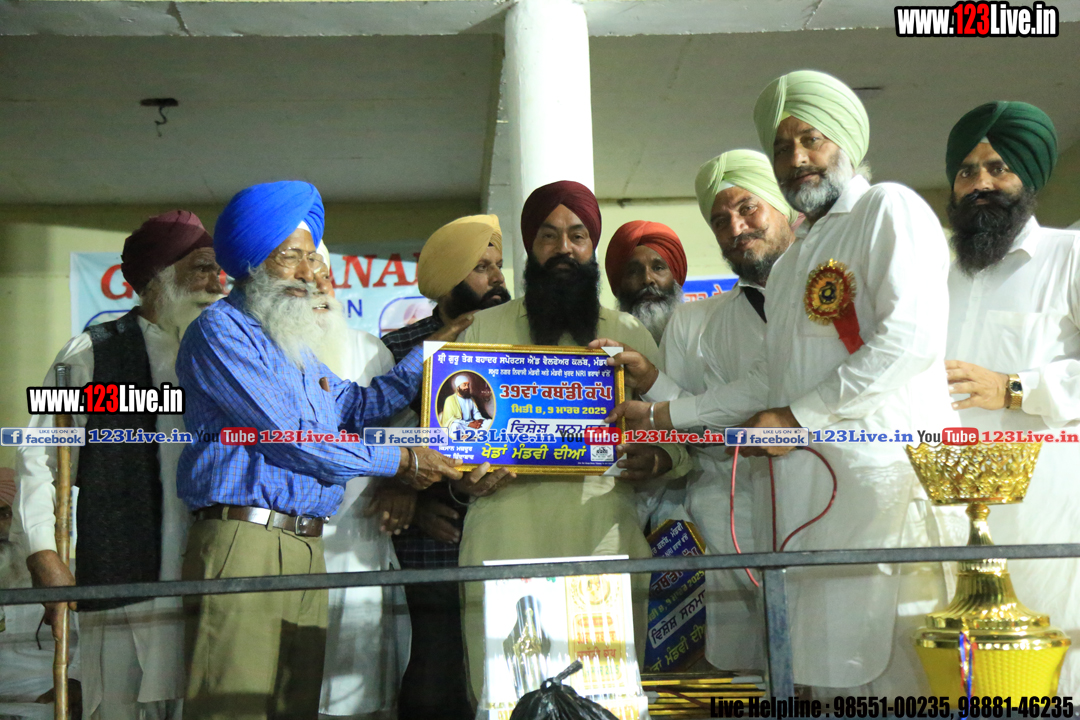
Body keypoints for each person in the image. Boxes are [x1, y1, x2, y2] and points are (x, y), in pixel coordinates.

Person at [609, 71, 960, 694]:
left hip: (884, 492)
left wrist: (797, 418)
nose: (796, 159)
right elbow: (767, 380)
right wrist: (663, 415)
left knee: (903, 678)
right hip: (804, 506)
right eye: (781, 147)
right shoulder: (800, 257)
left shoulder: (887, 208)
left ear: (846, 142)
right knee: (821, 675)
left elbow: (910, 340)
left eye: (811, 140)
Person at [175, 180, 468, 720]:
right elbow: (294, 439)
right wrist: (403, 461)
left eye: (312, 257)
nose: (308, 272)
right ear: (251, 260)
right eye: (291, 256)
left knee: (296, 705)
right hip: (246, 541)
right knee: (233, 706)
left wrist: (436, 352)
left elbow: (356, 405)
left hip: (307, 544)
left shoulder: (293, 345)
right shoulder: (221, 332)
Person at [456, 180, 690, 704]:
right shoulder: (481, 330)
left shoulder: (629, 331)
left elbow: (677, 436)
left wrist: (657, 457)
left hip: (602, 542)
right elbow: (447, 444)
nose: (563, 248)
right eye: (548, 236)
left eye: (577, 236)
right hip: (504, 542)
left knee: (604, 702)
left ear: (592, 247)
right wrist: (462, 478)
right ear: (530, 246)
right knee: (507, 702)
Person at [13, 210, 224, 720]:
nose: (218, 283)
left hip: (209, 573)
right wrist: (42, 552)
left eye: (218, 270)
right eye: (202, 268)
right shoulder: (92, 355)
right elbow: (41, 455)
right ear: (158, 279)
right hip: (121, 572)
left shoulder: (227, 355)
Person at [599, 150, 799, 673]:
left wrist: (660, 409)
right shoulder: (699, 322)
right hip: (722, 508)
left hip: (819, 498)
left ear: (783, 210)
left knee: (827, 659)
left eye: (748, 209)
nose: (736, 228)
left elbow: (763, 389)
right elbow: (686, 418)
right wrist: (651, 384)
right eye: (720, 220)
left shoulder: (824, 294)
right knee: (747, 671)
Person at [943, 101, 1079, 694]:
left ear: (1029, 177)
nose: (981, 183)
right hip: (947, 515)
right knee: (958, 673)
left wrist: (1014, 388)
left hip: (1046, 514)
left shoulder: (1069, 256)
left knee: (1055, 668)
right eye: (967, 171)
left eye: (998, 168)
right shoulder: (934, 273)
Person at [378, 214, 510, 720]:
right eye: (481, 267)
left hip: (505, 534)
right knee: (436, 677)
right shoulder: (398, 350)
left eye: (498, 265)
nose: (497, 278)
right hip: (432, 545)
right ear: (449, 279)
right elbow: (371, 445)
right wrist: (408, 495)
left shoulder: (518, 344)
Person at [309, 247, 412, 720]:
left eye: (325, 276)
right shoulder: (264, 354)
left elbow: (405, 432)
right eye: (304, 279)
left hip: (360, 539)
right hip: (284, 540)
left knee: (360, 694)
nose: (319, 287)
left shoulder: (372, 350)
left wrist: (402, 485)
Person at [604, 220, 687, 343]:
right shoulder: (605, 341)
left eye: (658, 268)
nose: (647, 279)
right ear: (619, 283)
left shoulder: (697, 335)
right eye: (633, 271)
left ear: (675, 276)